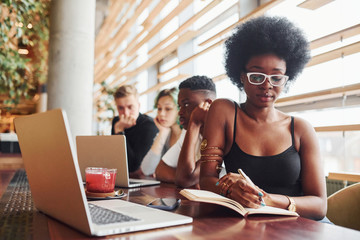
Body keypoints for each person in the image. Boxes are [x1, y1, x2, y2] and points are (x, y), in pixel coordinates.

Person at [199, 16, 328, 221]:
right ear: (242, 77)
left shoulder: (301, 129)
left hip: (298, 228)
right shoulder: (224, 111)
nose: (267, 85)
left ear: (287, 78)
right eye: (256, 77)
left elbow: (320, 206)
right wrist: (229, 188)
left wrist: (265, 199)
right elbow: (206, 179)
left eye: (276, 78)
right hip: (244, 225)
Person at [155, 76, 218, 188]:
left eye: (186, 104)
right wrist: (188, 179)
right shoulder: (189, 132)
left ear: (208, 104)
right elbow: (160, 170)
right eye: (180, 106)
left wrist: (194, 124)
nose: (180, 112)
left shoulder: (220, 134)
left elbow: (184, 180)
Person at [111, 85, 158, 178]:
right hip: (121, 177)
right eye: (120, 108)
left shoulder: (149, 125)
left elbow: (133, 166)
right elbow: (114, 158)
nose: (126, 113)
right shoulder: (117, 121)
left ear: (138, 106)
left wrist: (120, 131)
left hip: (142, 180)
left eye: (130, 107)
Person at [140, 88, 182, 177]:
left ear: (180, 110)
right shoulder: (165, 134)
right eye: (159, 108)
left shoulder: (188, 134)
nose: (161, 113)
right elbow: (147, 170)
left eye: (168, 108)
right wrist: (162, 133)